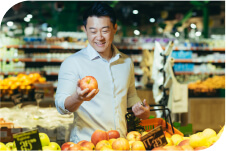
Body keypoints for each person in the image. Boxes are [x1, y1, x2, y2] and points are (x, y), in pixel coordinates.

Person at [55, 2, 151, 143]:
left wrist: (143, 111)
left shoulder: (126, 62)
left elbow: (131, 97)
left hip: (120, 144)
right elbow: (60, 105)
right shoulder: (73, 63)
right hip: (87, 145)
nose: (99, 37)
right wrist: (78, 98)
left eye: (105, 31)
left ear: (115, 28)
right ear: (85, 30)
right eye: (93, 31)